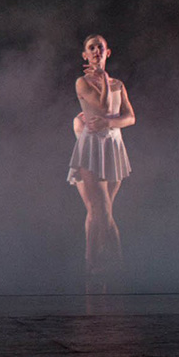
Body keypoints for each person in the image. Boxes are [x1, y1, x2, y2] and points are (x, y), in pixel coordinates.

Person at [70, 34, 134, 275]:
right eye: (91, 48)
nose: (96, 50)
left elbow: (130, 117)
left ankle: (92, 261)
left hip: (114, 147)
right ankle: (117, 262)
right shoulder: (82, 83)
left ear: (108, 52)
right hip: (92, 149)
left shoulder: (118, 84)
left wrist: (110, 123)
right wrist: (105, 82)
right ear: (85, 55)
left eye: (100, 47)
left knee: (98, 211)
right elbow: (105, 107)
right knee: (102, 209)